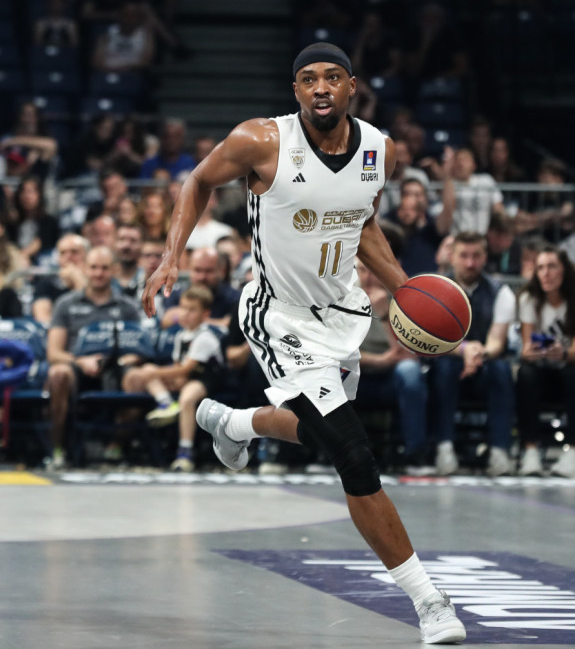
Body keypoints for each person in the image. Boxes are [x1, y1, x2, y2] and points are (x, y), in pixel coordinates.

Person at [140, 42, 466, 644]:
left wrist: (405, 292)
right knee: (353, 454)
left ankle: (235, 424)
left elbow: (362, 222)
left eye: (332, 78)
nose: (321, 87)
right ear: (296, 90)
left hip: (343, 314)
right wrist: (171, 254)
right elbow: (198, 179)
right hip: (279, 316)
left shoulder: (380, 149)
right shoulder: (261, 140)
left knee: (318, 430)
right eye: (309, 79)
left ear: (351, 87)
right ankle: (429, 601)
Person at [45, 247, 141, 470]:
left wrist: (119, 361)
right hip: (77, 367)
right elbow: (53, 353)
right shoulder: (65, 304)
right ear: (84, 269)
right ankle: (57, 450)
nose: (98, 273)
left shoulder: (127, 306)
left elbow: (139, 350)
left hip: (116, 368)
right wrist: (80, 361)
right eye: (93, 267)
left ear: (114, 270)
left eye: (104, 268)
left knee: (138, 377)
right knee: (58, 373)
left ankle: (116, 445)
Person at [429, 232, 516, 477]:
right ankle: (444, 448)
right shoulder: (435, 289)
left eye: (476, 256)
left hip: (483, 366)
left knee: (502, 369)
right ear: (452, 257)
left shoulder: (501, 292)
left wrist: (478, 353)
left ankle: (499, 450)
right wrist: (464, 349)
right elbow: (433, 338)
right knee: (443, 368)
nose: (470, 262)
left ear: (485, 257)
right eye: (464, 255)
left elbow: (497, 341)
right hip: (449, 363)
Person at [516, 246, 575, 477]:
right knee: (526, 373)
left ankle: (574, 453)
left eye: (552, 266)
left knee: (573, 372)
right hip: (545, 374)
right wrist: (531, 352)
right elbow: (525, 348)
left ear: (565, 270)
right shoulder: (529, 298)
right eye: (540, 268)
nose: (546, 273)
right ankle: (530, 451)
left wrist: (562, 352)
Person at [124, 286, 225, 471]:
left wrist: (157, 374)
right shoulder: (180, 335)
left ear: (205, 314)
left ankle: (185, 452)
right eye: (183, 308)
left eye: (192, 310)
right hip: (186, 378)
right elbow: (178, 367)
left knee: (186, 397)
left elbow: (186, 368)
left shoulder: (205, 337)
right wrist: (159, 374)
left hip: (206, 380)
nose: (185, 313)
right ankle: (166, 403)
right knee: (147, 369)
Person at [355, 262, 429, 472]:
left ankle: (414, 455)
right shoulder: (339, 299)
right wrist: (377, 360)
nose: (368, 278)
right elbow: (334, 352)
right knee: (329, 371)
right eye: (362, 270)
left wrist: (384, 316)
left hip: (391, 375)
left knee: (410, 372)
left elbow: (409, 355)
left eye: (374, 271)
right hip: (354, 373)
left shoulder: (404, 302)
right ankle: (325, 453)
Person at [161, 247, 240, 328]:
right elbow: (165, 321)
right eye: (197, 270)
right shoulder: (177, 294)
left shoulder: (235, 298)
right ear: (189, 269)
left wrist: (184, 317)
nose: (202, 277)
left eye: (209, 271)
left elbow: (231, 325)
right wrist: (216, 322)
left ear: (222, 270)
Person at [31, 234, 89, 325]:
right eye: (63, 253)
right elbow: (42, 318)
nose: (68, 256)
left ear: (87, 255)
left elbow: (93, 310)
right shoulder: (47, 284)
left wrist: (78, 280)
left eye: (74, 252)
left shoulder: (98, 280)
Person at [1, 175, 60, 265]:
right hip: (17, 260)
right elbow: (10, 244)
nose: (27, 196)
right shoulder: (13, 222)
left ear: (40, 195)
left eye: (31, 192)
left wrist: (22, 255)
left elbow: (41, 242)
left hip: (42, 262)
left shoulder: (49, 221)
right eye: (23, 192)